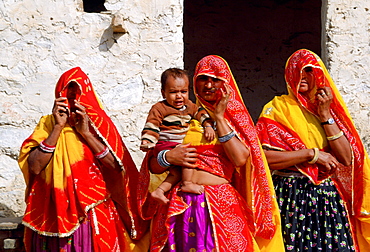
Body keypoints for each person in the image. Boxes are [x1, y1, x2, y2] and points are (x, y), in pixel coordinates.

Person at [137, 55, 285, 251]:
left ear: (226, 84)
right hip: (180, 202)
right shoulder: (178, 114)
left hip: (221, 204)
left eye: (215, 79)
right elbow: (153, 166)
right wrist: (169, 157)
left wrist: (220, 118)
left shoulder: (236, 121)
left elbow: (240, 159)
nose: (209, 85)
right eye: (203, 79)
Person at [18, 67, 149, 251]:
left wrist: (86, 133)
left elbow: (116, 166)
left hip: (92, 213)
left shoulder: (99, 125)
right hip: (51, 213)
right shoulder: (47, 124)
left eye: (77, 94)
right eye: (67, 93)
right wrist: (57, 128)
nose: (72, 100)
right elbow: (34, 167)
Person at [256, 49, 370, 251]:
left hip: (326, 201)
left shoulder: (328, 110)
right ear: (289, 74)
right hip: (290, 197)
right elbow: (264, 158)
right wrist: (312, 155)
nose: (303, 75)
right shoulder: (277, 108)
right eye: (297, 70)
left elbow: (345, 157)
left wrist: (324, 113)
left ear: (319, 75)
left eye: (309, 70)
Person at [140, 68, 215, 204]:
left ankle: (160, 191)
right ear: (163, 93)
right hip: (165, 144)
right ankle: (187, 183)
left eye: (183, 92)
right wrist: (148, 140)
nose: (179, 96)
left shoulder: (189, 106)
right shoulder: (160, 108)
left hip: (177, 145)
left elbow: (200, 113)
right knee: (189, 157)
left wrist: (208, 126)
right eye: (173, 92)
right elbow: (152, 124)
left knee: (176, 173)